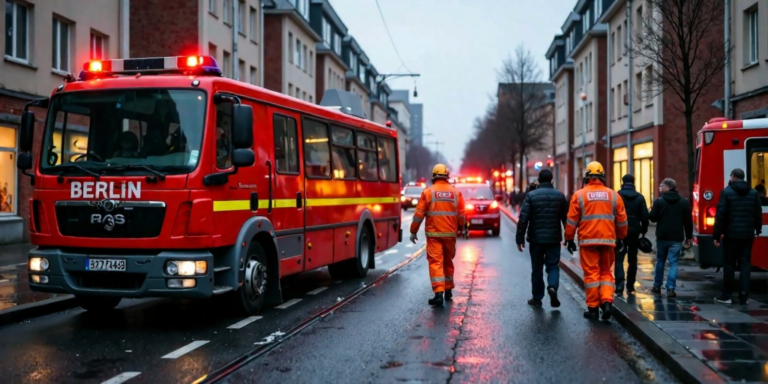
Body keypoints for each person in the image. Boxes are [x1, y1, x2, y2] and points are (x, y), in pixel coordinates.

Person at [564, 161, 628, 320]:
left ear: (586, 177)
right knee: (606, 271)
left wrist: (569, 238)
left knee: (592, 274)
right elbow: (622, 220)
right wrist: (620, 237)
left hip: (588, 241)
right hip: (608, 240)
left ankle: (593, 308)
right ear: (603, 177)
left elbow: (571, 220)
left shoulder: (579, 195)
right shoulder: (614, 195)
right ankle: (606, 302)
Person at [410, 164, 467, 307]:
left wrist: (413, 231)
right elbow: (461, 215)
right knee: (448, 261)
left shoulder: (428, 192)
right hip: (450, 234)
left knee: (436, 262)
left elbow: (419, 214)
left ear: (433, 176)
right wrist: (463, 228)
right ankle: (448, 290)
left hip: (434, 234)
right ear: (447, 176)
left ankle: (438, 293)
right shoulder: (455, 193)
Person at [515, 170, 569, 308]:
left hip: (536, 239)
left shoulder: (531, 196)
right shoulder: (560, 196)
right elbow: (566, 219)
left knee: (537, 268)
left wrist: (519, 238)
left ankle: (537, 297)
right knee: (553, 266)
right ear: (552, 180)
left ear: (538, 180)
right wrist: (569, 237)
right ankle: (552, 287)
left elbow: (523, 219)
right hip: (553, 239)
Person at [713, 168, 762, 305]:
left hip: (731, 234)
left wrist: (716, 235)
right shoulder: (753, 193)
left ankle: (727, 295)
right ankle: (744, 295)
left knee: (729, 264)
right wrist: (757, 229)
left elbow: (720, 215)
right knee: (745, 264)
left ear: (733, 177)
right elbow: (757, 213)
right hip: (747, 234)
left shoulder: (726, 192)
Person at [648, 178, 693, 298]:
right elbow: (688, 221)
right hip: (676, 237)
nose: (660, 188)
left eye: (661, 185)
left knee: (660, 261)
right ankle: (670, 288)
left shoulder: (660, 202)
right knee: (673, 263)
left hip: (662, 236)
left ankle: (657, 286)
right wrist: (689, 236)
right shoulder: (683, 202)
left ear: (668, 187)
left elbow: (652, 218)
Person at [615, 174, 650, 295]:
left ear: (622, 182)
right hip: (635, 231)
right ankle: (630, 285)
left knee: (619, 257)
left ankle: (619, 283)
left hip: (619, 230)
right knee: (632, 259)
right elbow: (645, 217)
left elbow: (612, 213)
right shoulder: (640, 197)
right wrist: (644, 230)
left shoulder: (617, 195)